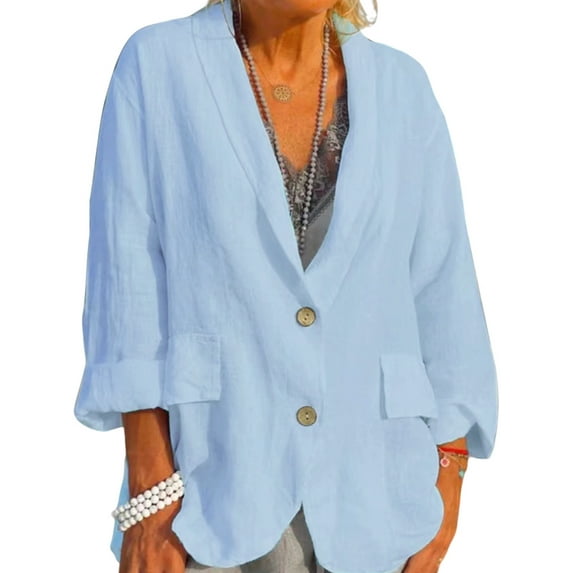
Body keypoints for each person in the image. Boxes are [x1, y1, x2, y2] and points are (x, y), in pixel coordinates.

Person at [73, 0, 499, 572]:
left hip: (379, 502)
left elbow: (444, 292)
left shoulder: (405, 89)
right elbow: (127, 289)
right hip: (207, 499)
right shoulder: (157, 66)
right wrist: (152, 496)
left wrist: (450, 469)